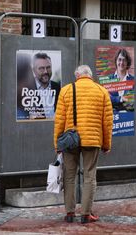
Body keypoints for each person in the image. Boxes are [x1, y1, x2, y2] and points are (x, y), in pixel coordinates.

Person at [53, 65, 113, 224]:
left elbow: (59, 121)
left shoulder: (66, 90)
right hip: (92, 140)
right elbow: (107, 122)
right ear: (90, 75)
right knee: (89, 176)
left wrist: (57, 144)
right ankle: (86, 214)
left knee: (69, 176)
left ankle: (70, 213)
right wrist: (106, 144)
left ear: (77, 75)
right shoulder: (102, 91)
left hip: (70, 140)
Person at [25, 52, 61, 119]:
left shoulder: (58, 88)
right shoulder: (26, 89)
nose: (45, 72)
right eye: (41, 68)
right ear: (34, 70)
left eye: (48, 67)